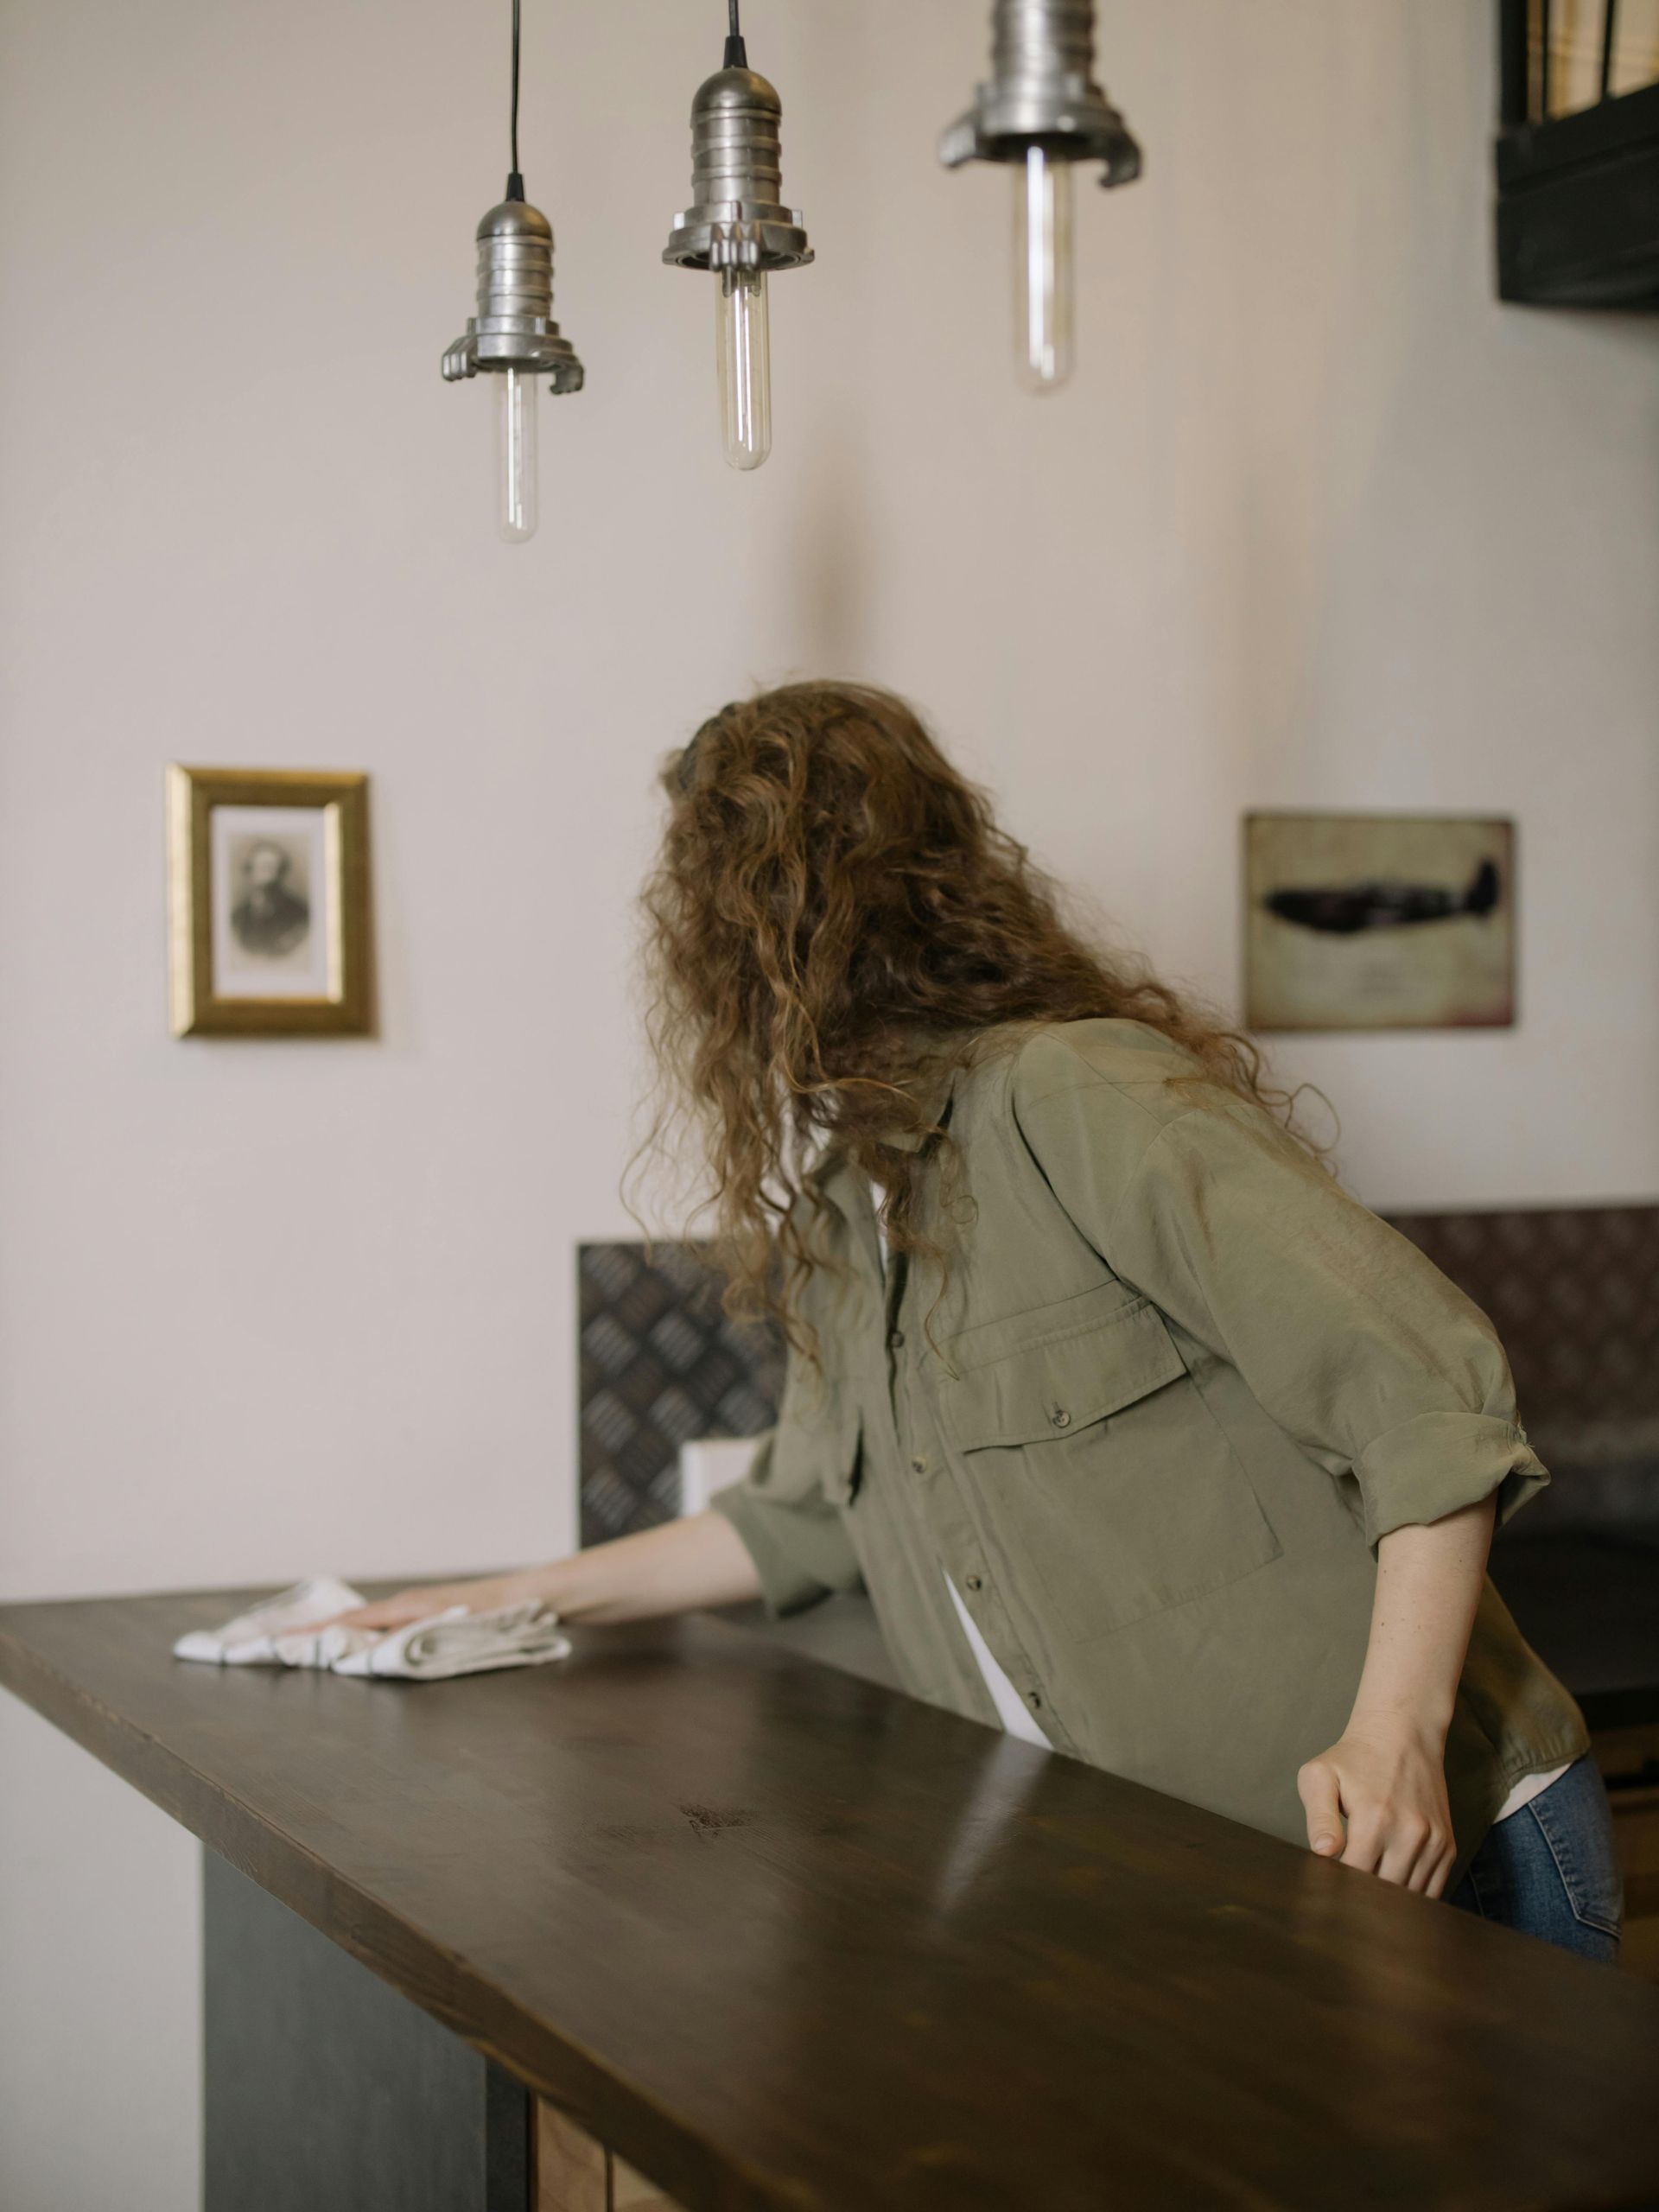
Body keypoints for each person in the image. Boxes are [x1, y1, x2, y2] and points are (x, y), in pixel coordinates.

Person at [334, 682, 1619, 1960]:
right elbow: (798, 1516)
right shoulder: (841, 1217)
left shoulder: (1072, 1092)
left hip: (1425, 1842)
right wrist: (502, 1599)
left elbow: (1423, 1395)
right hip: (1193, 1888)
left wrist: (1394, 1736)